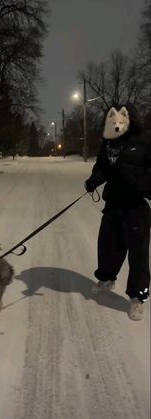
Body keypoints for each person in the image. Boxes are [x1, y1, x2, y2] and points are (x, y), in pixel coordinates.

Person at [85, 103, 151, 320]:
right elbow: (102, 166)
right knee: (107, 245)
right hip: (113, 204)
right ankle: (106, 279)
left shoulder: (145, 141)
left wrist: (136, 181)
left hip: (136, 207)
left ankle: (137, 298)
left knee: (138, 255)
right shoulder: (109, 142)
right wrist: (94, 180)